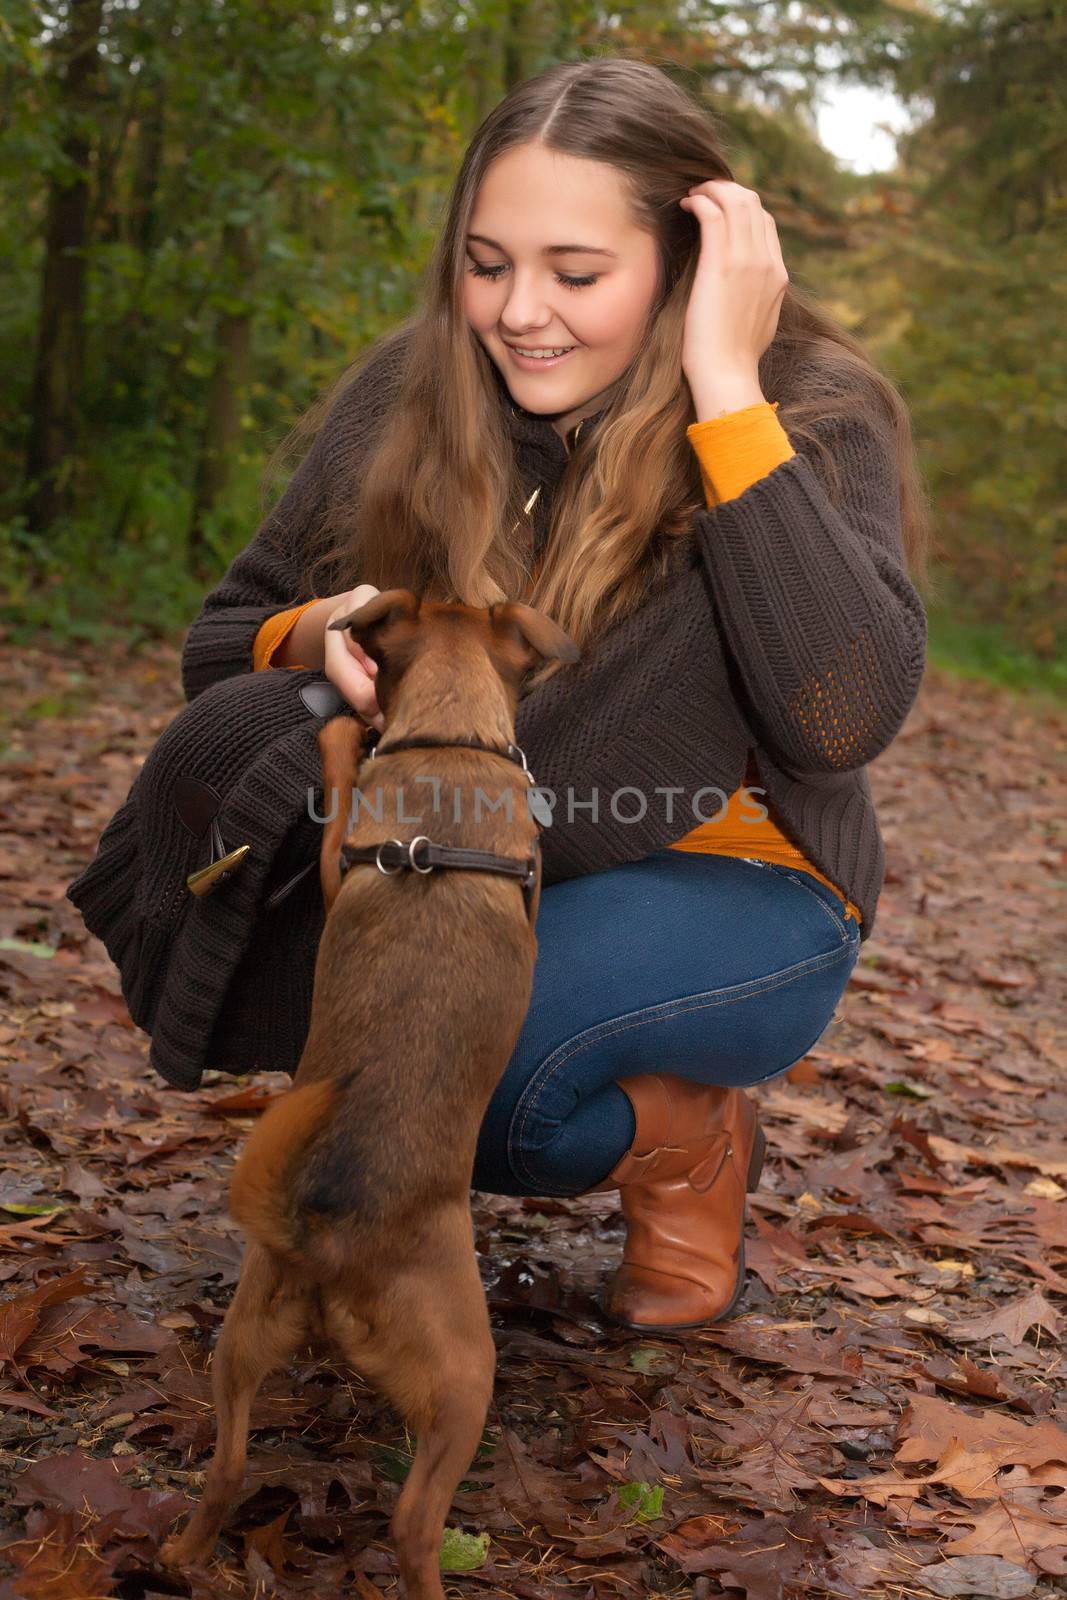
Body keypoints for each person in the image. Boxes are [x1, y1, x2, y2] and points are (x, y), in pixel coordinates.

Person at [69, 57, 930, 1333]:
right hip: (462, 856)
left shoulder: (803, 412)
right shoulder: (418, 389)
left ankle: (685, 1134)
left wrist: (723, 390)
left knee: (475, 1090)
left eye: (575, 274)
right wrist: (322, 637)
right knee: (372, 1056)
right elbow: (225, 638)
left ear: (689, 264)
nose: (520, 311)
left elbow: (837, 714)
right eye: (486, 264)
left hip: (734, 884)